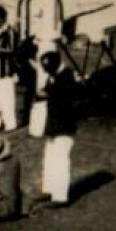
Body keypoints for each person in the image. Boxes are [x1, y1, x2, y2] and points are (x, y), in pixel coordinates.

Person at [36, 59, 79, 208]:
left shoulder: (64, 80)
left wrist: (47, 89)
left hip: (63, 127)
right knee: (50, 159)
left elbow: (44, 93)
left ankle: (60, 196)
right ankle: (49, 189)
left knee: (60, 161)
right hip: (56, 126)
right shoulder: (60, 76)